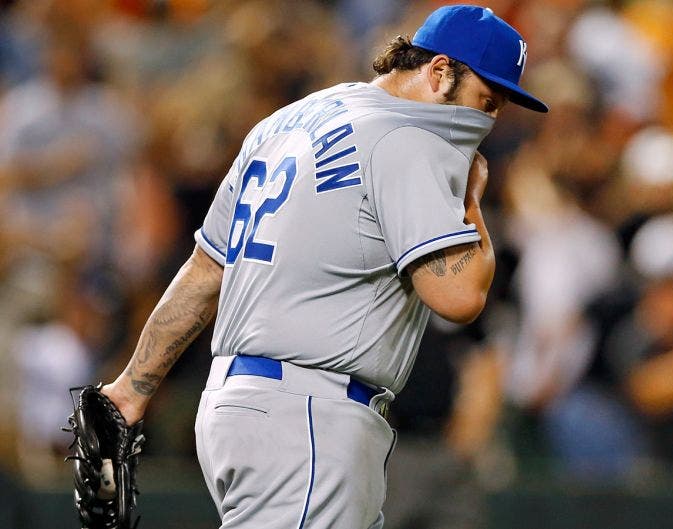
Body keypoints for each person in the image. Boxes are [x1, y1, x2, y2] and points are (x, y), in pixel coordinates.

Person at [99, 5, 547, 529]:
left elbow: (206, 270)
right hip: (308, 416)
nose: (487, 122)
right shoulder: (409, 136)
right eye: (485, 101)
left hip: (235, 409)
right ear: (439, 72)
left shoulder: (290, 120)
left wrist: (132, 389)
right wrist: (472, 204)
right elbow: (460, 296)